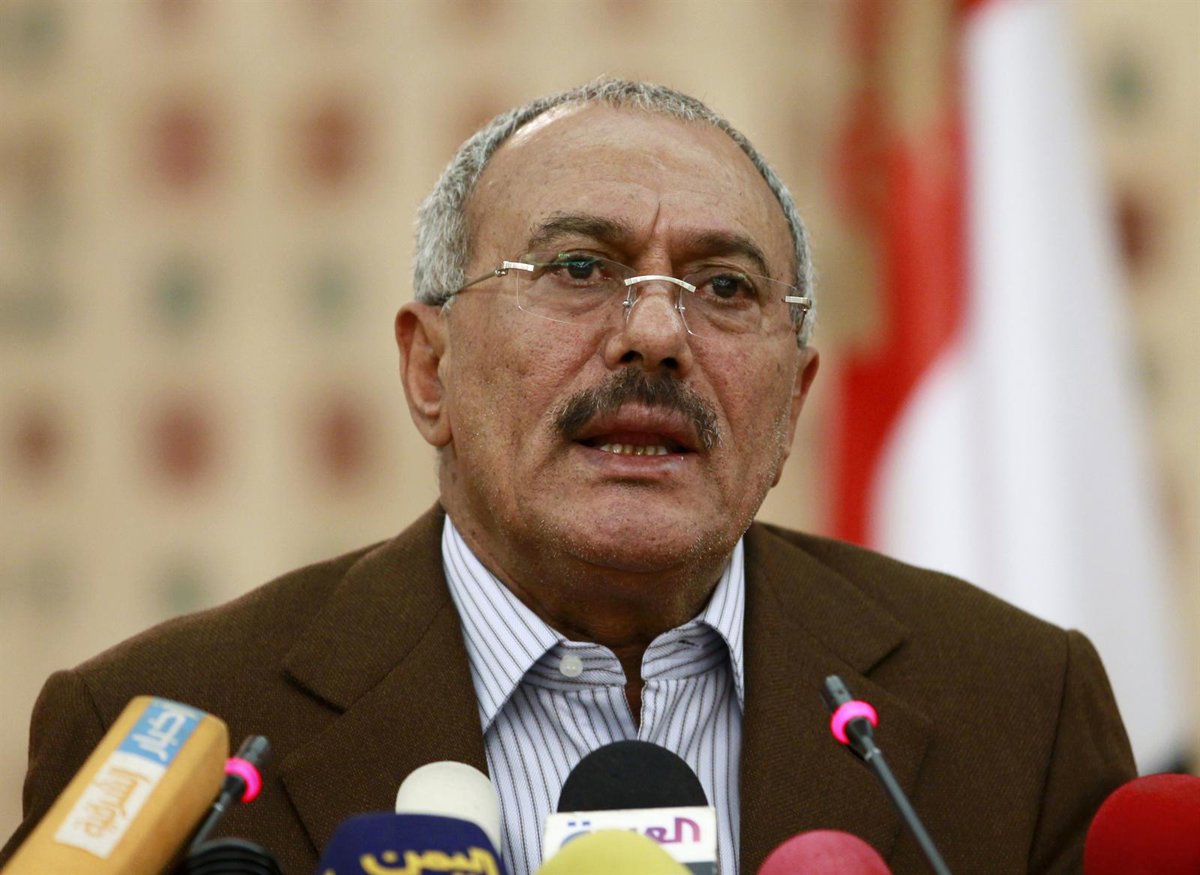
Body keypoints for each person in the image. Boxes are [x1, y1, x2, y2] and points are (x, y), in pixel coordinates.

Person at [1, 80, 1134, 875]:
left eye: (725, 287)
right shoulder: (171, 725)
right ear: (430, 369)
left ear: (794, 401)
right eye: (581, 267)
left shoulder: (1020, 708)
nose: (657, 334)